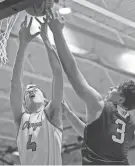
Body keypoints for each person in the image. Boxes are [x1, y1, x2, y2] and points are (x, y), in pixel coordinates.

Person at [47, 10, 135, 165]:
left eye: (116, 88)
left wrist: (57, 32)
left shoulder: (99, 104)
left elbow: (72, 71)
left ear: (121, 98)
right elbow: (90, 136)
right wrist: (68, 113)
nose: (110, 88)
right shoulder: (129, 124)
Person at [10, 16, 63, 165]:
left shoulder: (51, 113)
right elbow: (15, 84)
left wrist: (46, 39)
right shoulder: (21, 119)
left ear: (46, 100)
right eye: (27, 93)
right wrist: (23, 44)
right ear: (24, 105)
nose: (30, 90)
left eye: (35, 89)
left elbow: (58, 74)